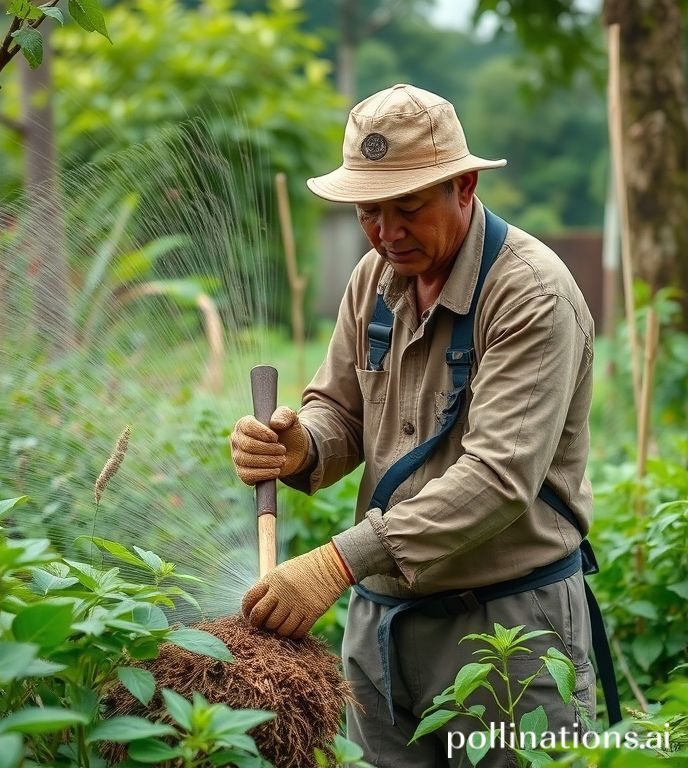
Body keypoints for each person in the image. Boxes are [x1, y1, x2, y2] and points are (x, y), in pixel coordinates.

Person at [230, 83, 599, 767]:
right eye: (369, 211)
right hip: (382, 633)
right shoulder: (374, 279)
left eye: (408, 208)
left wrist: (336, 562)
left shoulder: (530, 293)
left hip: (505, 633)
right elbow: (338, 409)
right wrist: (298, 443)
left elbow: (497, 478)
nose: (386, 232)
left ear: (463, 186)